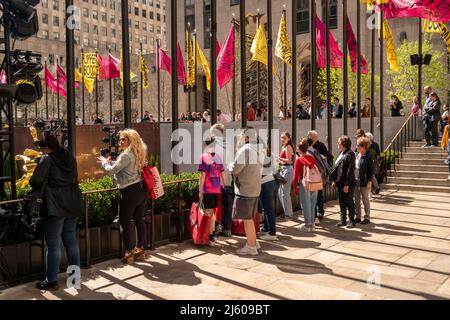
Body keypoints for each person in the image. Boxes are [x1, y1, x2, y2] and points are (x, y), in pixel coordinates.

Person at [30, 133, 83, 290]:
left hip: (55, 206)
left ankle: (51, 280)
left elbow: (36, 181)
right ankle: (74, 279)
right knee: (71, 241)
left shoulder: (47, 159)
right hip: (72, 203)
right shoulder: (69, 157)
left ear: (47, 147)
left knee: (53, 246)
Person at [98, 129, 148, 264]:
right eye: (120, 139)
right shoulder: (140, 151)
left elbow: (110, 172)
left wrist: (104, 162)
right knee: (139, 220)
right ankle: (140, 249)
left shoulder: (125, 156)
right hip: (141, 189)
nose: (120, 142)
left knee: (124, 222)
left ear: (130, 141)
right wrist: (112, 162)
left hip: (128, 191)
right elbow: (126, 167)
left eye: (123, 139)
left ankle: (129, 252)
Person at [228, 128, 262, 256]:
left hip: (245, 189)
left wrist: (230, 165)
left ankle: (251, 246)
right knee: (250, 218)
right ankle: (253, 241)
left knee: (247, 219)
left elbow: (236, 168)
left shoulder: (245, 150)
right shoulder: (258, 149)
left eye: (241, 136)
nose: (240, 138)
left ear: (246, 137)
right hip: (254, 188)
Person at [198, 137, 225, 246]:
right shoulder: (218, 157)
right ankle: (212, 235)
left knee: (208, 212)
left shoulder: (203, 157)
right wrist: (224, 185)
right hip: (217, 188)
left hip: (208, 189)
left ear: (206, 145)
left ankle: (210, 237)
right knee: (213, 212)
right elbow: (223, 173)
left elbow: (202, 175)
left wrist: (200, 190)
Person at [210, 124, 233, 238]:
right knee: (227, 205)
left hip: (217, 181)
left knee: (216, 206)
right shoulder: (228, 144)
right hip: (227, 179)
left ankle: (217, 228)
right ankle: (227, 228)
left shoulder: (213, 146)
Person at [293, 138, 319, 232]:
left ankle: (307, 225)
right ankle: (312, 224)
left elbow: (296, 176)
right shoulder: (311, 158)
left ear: (299, 150)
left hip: (304, 184)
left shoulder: (299, 160)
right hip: (314, 182)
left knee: (305, 204)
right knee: (312, 204)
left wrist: (295, 187)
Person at [307, 131, 333, 222]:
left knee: (319, 194)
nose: (311, 138)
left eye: (313, 137)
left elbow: (329, 156)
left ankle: (320, 212)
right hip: (311, 175)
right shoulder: (306, 146)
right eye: (310, 137)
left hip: (319, 174)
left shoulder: (320, 145)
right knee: (314, 195)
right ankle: (314, 214)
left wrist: (323, 157)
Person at [331, 136, 356, 228]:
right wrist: (334, 180)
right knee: (341, 202)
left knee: (349, 201)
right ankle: (343, 221)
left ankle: (352, 221)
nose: (337, 144)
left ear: (343, 144)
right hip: (339, 182)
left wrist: (347, 184)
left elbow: (351, 170)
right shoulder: (340, 153)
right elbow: (336, 168)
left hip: (347, 182)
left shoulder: (351, 154)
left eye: (338, 143)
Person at [258, 139, 278, 241]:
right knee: (267, 209)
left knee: (268, 209)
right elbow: (274, 169)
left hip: (264, 183)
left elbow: (261, 172)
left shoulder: (261, 155)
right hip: (271, 181)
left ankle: (272, 233)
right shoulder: (270, 153)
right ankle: (266, 229)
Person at [354, 137, 374, 225]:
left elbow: (371, 170)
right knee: (356, 199)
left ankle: (367, 217)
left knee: (365, 199)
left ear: (363, 146)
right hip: (355, 180)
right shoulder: (356, 155)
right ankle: (357, 216)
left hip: (364, 181)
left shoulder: (368, 157)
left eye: (358, 145)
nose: (356, 146)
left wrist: (369, 181)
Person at [277, 132, 295, 219]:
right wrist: (279, 161)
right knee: (280, 192)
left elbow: (289, 161)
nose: (282, 139)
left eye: (284, 137)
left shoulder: (288, 147)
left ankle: (288, 214)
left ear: (288, 138)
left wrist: (279, 158)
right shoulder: (284, 147)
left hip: (287, 170)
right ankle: (286, 212)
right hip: (283, 169)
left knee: (285, 193)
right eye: (281, 137)